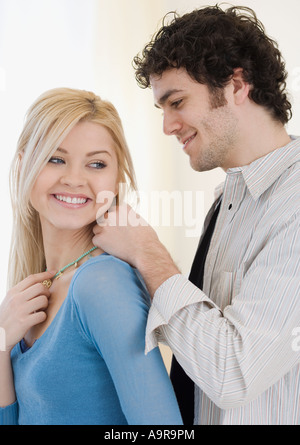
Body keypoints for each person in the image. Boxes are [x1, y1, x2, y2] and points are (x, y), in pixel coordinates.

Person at [92, 5, 300, 425]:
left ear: (237, 85)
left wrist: (147, 252)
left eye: (178, 102)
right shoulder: (229, 201)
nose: (168, 125)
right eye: (162, 109)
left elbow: (233, 372)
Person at [0, 87, 183, 425]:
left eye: (96, 164)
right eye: (56, 159)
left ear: (116, 181)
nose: (73, 179)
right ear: (25, 165)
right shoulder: (28, 293)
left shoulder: (102, 283)